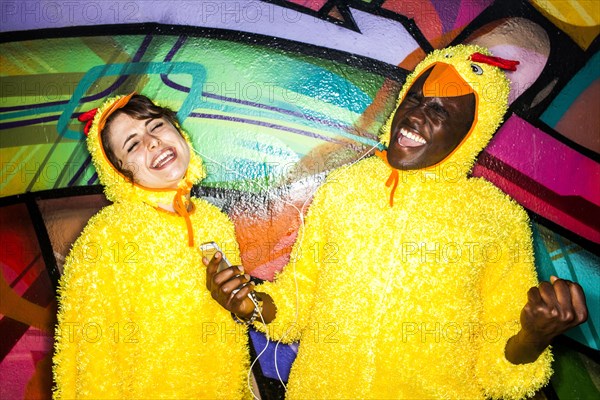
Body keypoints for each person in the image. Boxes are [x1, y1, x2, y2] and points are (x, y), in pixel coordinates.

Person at [205, 45, 588, 399]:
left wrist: (534, 335)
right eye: (416, 99)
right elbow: (294, 307)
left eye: (440, 110)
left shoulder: (497, 219)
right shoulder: (346, 188)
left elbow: (501, 374)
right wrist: (247, 302)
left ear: (472, 132)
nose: (416, 115)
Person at [53, 94, 252, 398]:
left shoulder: (214, 222)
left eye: (156, 126)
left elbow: (234, 333)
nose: (152, 142)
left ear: (178, 131)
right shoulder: (106, 237)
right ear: (119, 172)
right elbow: (89, 361)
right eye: (132, 145)